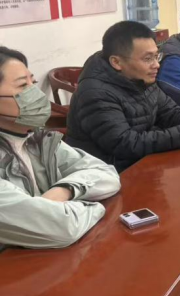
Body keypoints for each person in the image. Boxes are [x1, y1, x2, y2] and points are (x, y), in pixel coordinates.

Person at [0, 47, 120, 250]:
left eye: (33, 83)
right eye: (22, 86)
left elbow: (106, 173)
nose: (36, 94)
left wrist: (64, 190)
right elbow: (63, 228)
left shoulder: (37, 139)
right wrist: (96, 205)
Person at [66, 21, 180, 173]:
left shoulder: (142, 79)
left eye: (157, 56)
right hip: (107, 175)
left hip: (142, 164)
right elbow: (126, 144)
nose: (156, 65)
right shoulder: (94, 93)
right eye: (148, 59)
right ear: (116, 62)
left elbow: (172, 114)